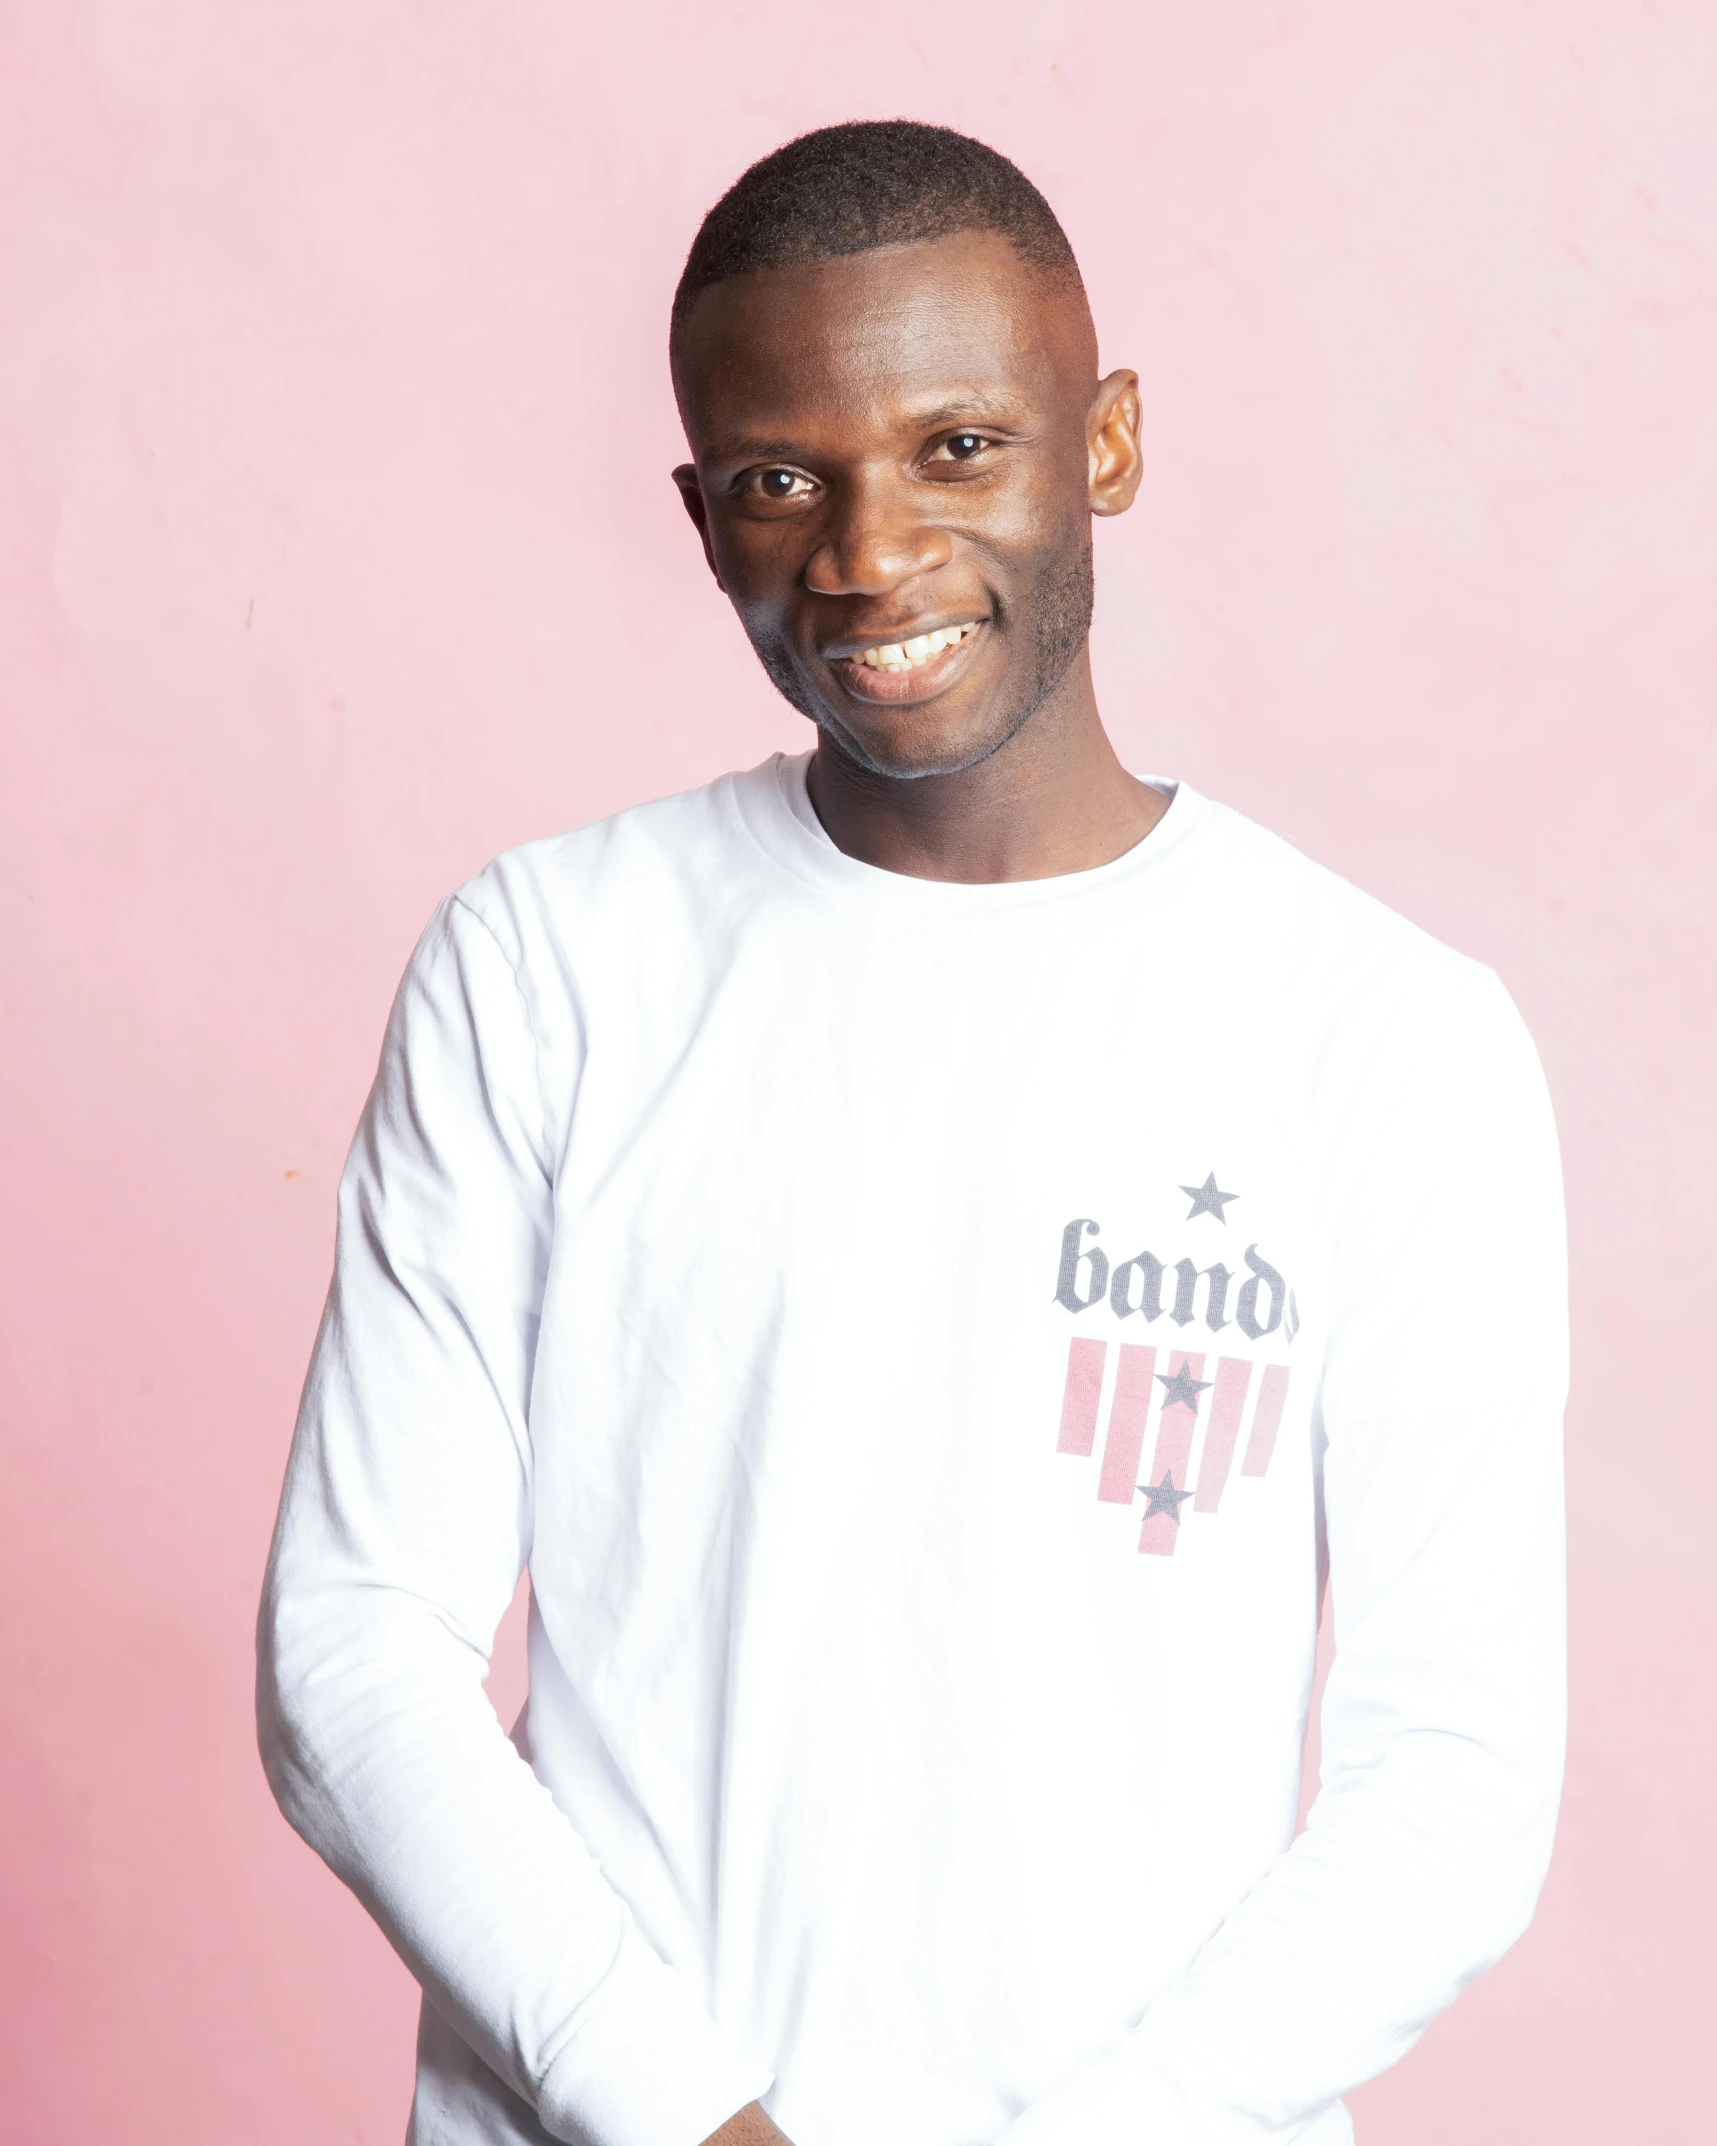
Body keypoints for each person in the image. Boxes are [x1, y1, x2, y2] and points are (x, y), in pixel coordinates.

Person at [258, 120, 1567, 2146]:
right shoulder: (549, 962)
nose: (868, 552)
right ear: (703, 517)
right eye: (785, 479)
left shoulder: (1384, 1034)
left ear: (1106, 442)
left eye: (961, 445)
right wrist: (686, 2114)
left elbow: (1455, 1771)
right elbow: (355, 1650)